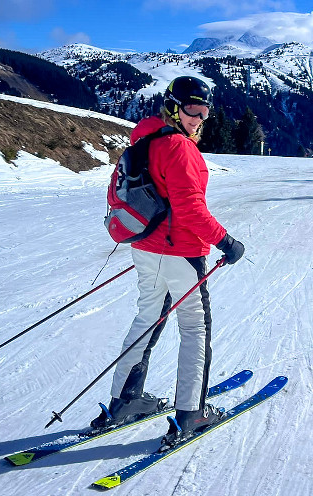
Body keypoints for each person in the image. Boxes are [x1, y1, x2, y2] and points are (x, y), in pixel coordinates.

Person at [91, 76, 245, 449]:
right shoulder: (180, 149)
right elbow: (192, 211)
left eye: (205, 111)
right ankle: (192, 413)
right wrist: (227, 242)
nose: (199, 118)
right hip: (181, 253)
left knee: (146, 318)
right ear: (174, 107)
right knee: (195, 328)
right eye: (192, 109)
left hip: (144, 246)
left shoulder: (143, 139)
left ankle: (124, 401)